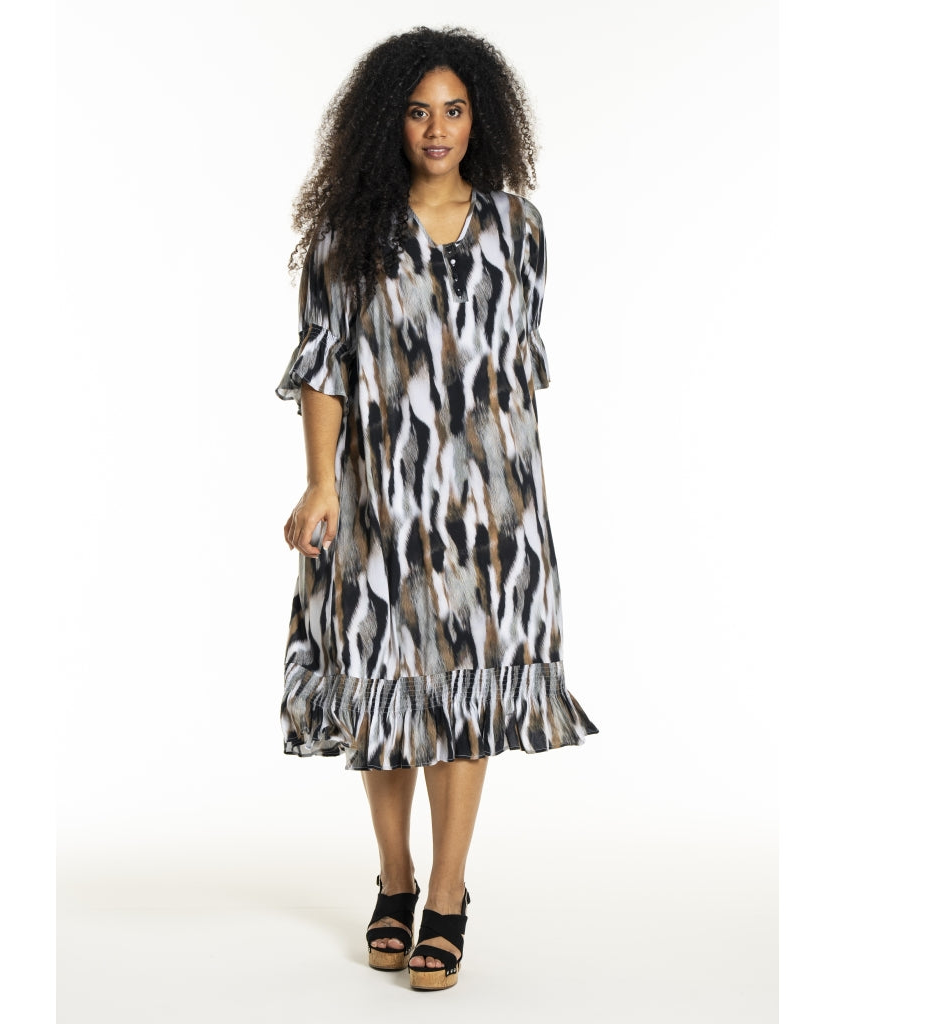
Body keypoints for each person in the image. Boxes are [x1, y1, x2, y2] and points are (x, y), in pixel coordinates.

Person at [276, 26, 598, 991]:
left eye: (454, 111)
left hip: (493, 505)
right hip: (382, 496)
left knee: (468, 688)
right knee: (384, 684)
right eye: (418, 112)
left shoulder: (518, 227)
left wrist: (510, 496)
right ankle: (395, 878)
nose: (437, 129)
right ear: (389, 123)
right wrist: (322, 482)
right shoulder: (348, 238)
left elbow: (513, 368)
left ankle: (447, 898)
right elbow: (325, 367)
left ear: (479, 120)